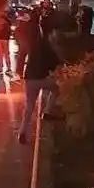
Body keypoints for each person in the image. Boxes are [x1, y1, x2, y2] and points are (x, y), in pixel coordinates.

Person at [18, 14, 59, 145]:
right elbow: (54, 63)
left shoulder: (34, 42)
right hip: (43, 79)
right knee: (57, 89)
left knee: (29, 107)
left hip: (30, 79)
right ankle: (47, 111)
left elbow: (22, 55)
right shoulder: (49, 44)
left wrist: (19, 70)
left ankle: (22, 132)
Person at [0, 14, 12, 80]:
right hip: (5, 40)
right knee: (6, 54)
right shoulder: (7, 22)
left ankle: (0, 69)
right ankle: (9, 68)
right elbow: (9, 32)